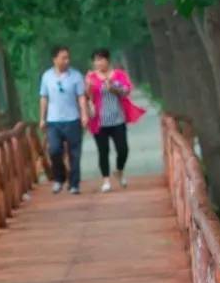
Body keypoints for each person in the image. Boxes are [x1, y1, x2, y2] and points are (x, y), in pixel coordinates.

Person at [85, 49, 146, 192]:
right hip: (99, 120)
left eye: (101, 59)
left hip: (118, 118)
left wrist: (113, 88)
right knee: (103, 151)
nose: (98, 63)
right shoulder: (91, 77)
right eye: (96, 60)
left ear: (108, 60)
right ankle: (106, 180)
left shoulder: (119, 74)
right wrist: (88, 87)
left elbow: (126, 91)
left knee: (123, 149)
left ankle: (119, 170)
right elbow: (87, 96)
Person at [38, 46, 88, 195]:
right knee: (54, 150)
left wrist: (84, 114)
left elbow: (81, 97)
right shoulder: (47, 76)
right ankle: (59, 179)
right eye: (63, 58)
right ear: (55, 59)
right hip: (53, 121)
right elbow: (44, 97)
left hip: (72, 119)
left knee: (74, 154)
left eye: (68, 58)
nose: (67, 61)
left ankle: (74, 184)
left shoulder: (76, 76)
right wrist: (42, 118)